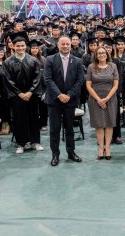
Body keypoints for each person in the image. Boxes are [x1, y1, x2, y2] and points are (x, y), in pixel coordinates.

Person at [44, 35, 86, 166]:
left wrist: (69, 94)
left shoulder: (77, 61)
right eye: (63, 44)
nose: (66, 46)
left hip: (70, 100)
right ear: (58, 45)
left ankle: (71, 152)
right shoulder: (50, 60)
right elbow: (48, 79)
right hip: (54, 101)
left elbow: (80, 80)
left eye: (68, 44)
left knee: (69, 128)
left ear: (71, 45)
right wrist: (59, 95)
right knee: (54, 129)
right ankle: (55, 155)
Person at [3, 32, 43, 154]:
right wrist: (19, 93)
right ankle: (21, 143)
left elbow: (37, 78)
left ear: (26, 46)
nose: (20, 48)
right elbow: (8, 80)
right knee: (18, 119)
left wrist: (30, 92)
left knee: (33, 118)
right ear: (13, 46)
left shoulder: (33, 60)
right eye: (18, 46)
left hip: (31, 96)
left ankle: (35, 142)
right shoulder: (8, 62)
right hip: (17, 96)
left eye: (22, 46)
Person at [86, 46, 119, 160]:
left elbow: (115, 85)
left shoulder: (113, 66)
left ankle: (108, 148)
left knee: (109, 124)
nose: (101, 55)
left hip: (110, 99)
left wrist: (106, 98)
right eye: (99, 53)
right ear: (96, 55)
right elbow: (88, 86)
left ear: (107, 54)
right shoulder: (91, 67)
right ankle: (101, 148)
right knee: (99, 125)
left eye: (103, 53)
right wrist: (99, 99)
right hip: (95, 99)